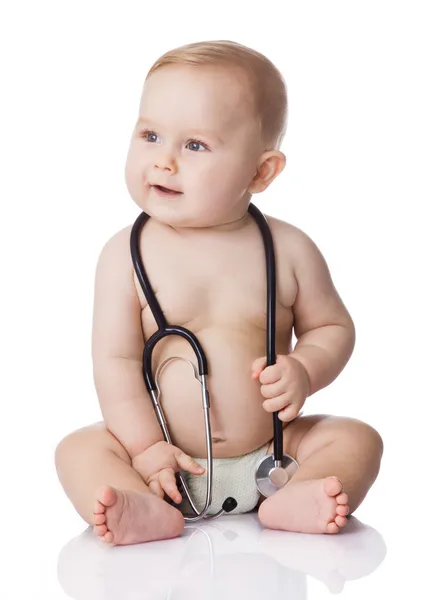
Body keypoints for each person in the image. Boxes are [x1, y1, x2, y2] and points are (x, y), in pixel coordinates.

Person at [55, 40, 383, 546]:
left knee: (356, 438)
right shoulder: (125, 255)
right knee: (78, 449)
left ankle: (303, 493)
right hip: (168, 461)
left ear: (261, 171)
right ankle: (142, 506)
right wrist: (144, 450)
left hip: (274, 453)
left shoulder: (288, 248)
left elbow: (331, 328)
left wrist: (305, 369)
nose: (163, 161)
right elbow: (116, 363)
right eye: (150, 135)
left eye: (195, 145)